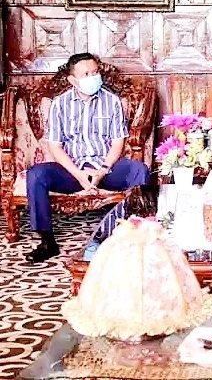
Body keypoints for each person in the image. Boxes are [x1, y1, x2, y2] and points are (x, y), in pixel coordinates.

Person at [25, 53, 150, 263]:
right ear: (73, 80)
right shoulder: (60, 104)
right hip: (72, 171)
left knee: (139, 170)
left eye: (95, 72)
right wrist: (78, 174)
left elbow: (117, 141)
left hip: (105, 168)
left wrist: (103, 169)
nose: (93, 77)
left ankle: (135, 235)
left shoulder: (111, 101)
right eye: (86, 74)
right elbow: (55, 145)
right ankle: (47, 242)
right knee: (36, 175)